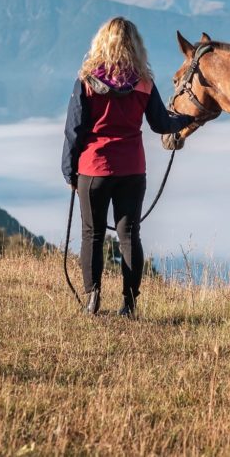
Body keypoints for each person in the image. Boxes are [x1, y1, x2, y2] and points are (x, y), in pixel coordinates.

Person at [61, 17, 193, 317]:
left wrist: (69, 171)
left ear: (101, 42)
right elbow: (161, 123)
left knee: (92, 236)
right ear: (135, 45)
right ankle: (130, 305)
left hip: (93, 170)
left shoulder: (86, 81)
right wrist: (189, 119)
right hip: (133, 170)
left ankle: (93, 299)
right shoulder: (144, 82)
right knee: (130, 235)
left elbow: (74, 131)